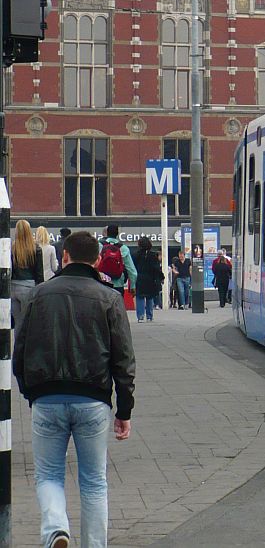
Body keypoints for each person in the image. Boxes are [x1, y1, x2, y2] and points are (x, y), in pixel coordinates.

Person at [14, 230, 135, 548]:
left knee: (49, 475)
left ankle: (55, 528)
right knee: (94, 481)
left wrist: (31, 393)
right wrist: (124, 410)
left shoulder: (38, 295)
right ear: (97, 261)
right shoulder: (109, 297)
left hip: (47, 398)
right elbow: (123, 359)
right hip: (93, 399)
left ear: (63, 256)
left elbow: (20, 351)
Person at [11, 218, 45, 342]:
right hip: (29, 287)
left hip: (13, 288)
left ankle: (16, 350)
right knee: (29, 323)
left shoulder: (12, 248)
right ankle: (25, 350)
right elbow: (39, 273)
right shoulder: (35, 249)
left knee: (18, 323)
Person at [98, 225, 137, 297]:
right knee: (117, 307)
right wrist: (132, 286)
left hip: (102, 283)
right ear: (117, 234)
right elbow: (131, 270)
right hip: (118, 284)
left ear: (107, 232)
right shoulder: (124, 248)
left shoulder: (99, 246)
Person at [132, 237, 164, 322]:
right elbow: (157, 268)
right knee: (150, 297)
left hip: (139, 278)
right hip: (150, 278)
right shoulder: (153, 255)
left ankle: (140, 316)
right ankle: (149, 316)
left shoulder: (135, 255)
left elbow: (132, 267)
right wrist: (161, 277)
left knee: (140, 297)